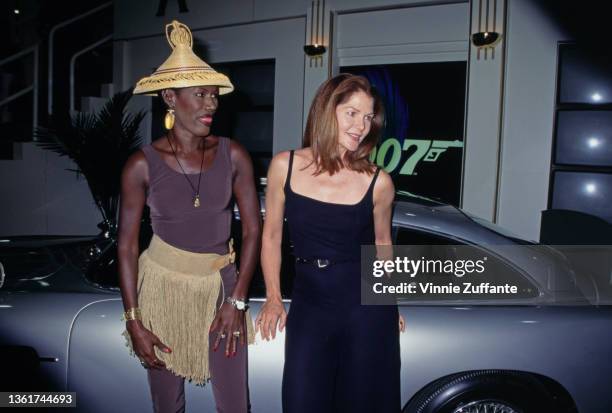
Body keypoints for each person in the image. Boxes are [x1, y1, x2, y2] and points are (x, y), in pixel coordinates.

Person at [118, 20, 260, 413]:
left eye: (214, 96)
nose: (211, 104)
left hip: (221, 290)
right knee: (167, 406)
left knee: (236, 407)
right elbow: (127, 245)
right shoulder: (140, 165)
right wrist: (134, 319)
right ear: (169, 97)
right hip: (162, 290)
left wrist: (237, 300)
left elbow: (253, 230)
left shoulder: (234, 156)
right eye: (200, 95)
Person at [255, 73, 401, 412]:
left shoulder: (378, 182)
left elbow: (383, 245)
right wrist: (274, 298)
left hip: (363, 308)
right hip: (310, 304)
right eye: (352, 113)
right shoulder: (285, 166)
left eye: (368, 117)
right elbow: (272, 236)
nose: (361, 126)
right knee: (302, 401)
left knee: (362, 403)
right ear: (327, 110)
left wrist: (389, 301)